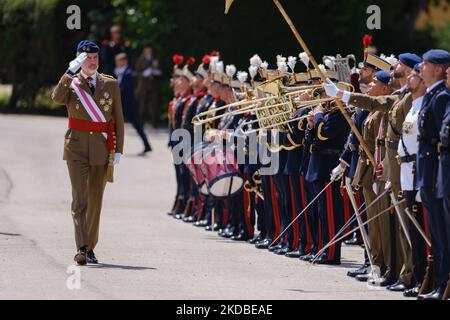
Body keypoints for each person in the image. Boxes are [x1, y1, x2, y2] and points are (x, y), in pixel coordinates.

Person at [52, 40, 125, 265]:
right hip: (75, 148)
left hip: (101, 149)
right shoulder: (71, 83)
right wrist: (68, 72)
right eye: (87, 59)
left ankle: (90, 246)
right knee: (80, 199)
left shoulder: (109, 84)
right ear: (79, 60)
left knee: (95, 199)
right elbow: (56, 99)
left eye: (95, 58)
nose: (92, 62)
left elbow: (118, 119)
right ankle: (81, 248)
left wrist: (118, 149)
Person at [114, 53, 152, 155]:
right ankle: (112, 147)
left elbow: (124, 90)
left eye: (118, 61)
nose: (116, 63)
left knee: (137, 125)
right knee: (114, 124)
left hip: (129, 105)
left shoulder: (128, 73)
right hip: (123, 105)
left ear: (124, 61)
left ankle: (147, 145)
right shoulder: (121, 73)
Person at [135, 44, 162, 127]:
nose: (148, 52)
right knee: (142, 105)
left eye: (150, 50)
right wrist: (145, 73)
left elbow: (160, 70)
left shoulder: (155, 60)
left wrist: (155, 72)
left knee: (153, 104)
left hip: (153, 86)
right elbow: (137, 72)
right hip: (143, 86)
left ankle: (153, 122)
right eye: (147, 50)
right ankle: (141, 122)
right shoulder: (140, 60)